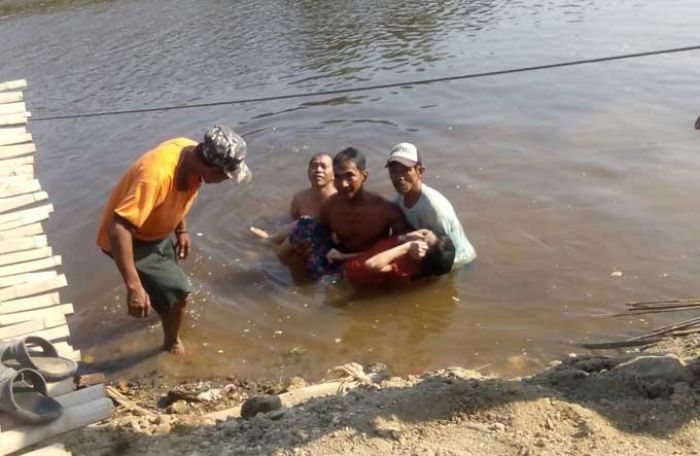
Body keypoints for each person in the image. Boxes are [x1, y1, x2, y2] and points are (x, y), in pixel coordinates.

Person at [96, 125, 251, 356]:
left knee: (169, 292)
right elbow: (118, 228)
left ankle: (162, 307)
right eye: (226, 176)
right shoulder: (156, 176)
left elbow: (178, 194)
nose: (225, 181)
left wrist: (181, 230)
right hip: (132, 240)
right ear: (213, 169)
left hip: (155, 233)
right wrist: (134, 285)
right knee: (178, 293)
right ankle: (171, 344)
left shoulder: (187, 151)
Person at [291, 147, 409, 279]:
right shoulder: (329, 207)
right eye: (338, 177)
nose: (343, 184)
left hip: (370, 263)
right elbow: (320, 236)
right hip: (338, 260)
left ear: (364, 175)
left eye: (349, 175)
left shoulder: (385, 209)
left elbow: (404, 244)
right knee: (304, 226)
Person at [386, 142, 476, 268]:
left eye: (406, 170)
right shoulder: (398, 201)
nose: (399, 177)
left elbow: (445, 254)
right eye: (394, 171)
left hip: (460, 262)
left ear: (420, 171)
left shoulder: (436, 210)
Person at [249, 153, 336, 258]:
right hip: (302, 242)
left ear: (334, 174)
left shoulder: (338, 200)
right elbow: (292, 223)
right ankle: (269, 243)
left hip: (329, 248)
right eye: (314, 166)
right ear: (308, 172)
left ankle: (268, 243)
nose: (318, 170)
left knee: (305, 223)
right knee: (302, 224)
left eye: (324, 166)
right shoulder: (300, 198)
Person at [326, 228, 455, 285]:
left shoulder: (406, 267)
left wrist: (406, 246)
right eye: (425, 232)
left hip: (340, 279)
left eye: (422, 240)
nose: (418, 235)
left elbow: (370, 264)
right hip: (343, 263)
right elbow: (373, 252)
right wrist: (342, 256)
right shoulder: (406, 241)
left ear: (422, 255)